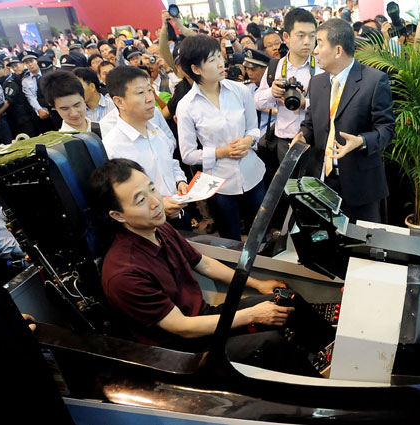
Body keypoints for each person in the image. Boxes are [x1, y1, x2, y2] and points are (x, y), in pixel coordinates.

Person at [89, 158, 334, 376]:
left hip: (205, 316)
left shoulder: (159, 228)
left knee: (284, 298)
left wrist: (258, 284)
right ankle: (321, 391)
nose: (155, 202)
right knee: (269, 343)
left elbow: (203, 262)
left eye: (152, 189)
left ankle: (333, 354)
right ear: (118, 215)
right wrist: (251, 314)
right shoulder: (124, 273)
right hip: (185, 350)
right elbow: (181, 328)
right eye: (141, 200)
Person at [292, 19, 394, 223]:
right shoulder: (317, 82)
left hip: (360, 185)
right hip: (322, 181)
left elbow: (387, 129)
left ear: (338, 50)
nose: (315, 51)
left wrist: (362, 141)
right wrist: (303, 135)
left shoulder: (374, 81)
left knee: (361, 247)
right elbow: (311, 122)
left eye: (319, 43)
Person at [176, 35, 265, 241]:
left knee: (259, 232)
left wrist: (247, 141)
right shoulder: (187, 106)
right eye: (212, 59)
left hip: (252, 173)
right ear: (196, 69)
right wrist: (220, 152)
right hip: (219, 182)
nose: (220, 63)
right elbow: (188, 154)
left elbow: (254, 129)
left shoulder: (240, 91)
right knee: (229, 238)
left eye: (219, 56)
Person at [102, 65, 189, 225]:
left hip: (177, 210)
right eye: (141, 93)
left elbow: (170, 162)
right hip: (151, 223)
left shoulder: (156, 130)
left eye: (149, 90)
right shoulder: (113, 147)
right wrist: (161, 204)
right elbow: (126, 198)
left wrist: (179, 181)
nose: (150, 98)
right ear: (119, 101)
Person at [254, 8, 320, 163]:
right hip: (284, 141)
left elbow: (333, 104)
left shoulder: (321, 66)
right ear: (286, 37)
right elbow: (256, 102)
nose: (307, 42)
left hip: (315, 140)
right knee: (289, 186)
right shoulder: (274, 67)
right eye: (301, 35)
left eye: (312, 36)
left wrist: (306, 104)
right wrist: (272, 92)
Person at [0, 57, 37, 137]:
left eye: (16, 65)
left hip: (31, 114)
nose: (15, 68)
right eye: (13, 67)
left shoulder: (27, 76)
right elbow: (8, 100)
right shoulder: (12, 81)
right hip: (20, 117)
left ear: (22, 64)